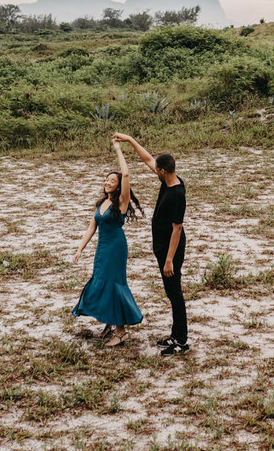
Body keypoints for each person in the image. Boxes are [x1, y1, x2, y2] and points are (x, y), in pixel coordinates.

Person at [113, 132, 189, 355]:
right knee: (171, 292)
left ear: (163, 171)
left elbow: (177, 229)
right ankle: (176, 334)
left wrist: (168, 260)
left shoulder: (176, 193)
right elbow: (148, 160)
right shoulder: (168, 179)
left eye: (157, 168)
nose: (153, 169)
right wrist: (129, 140)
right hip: (162, 247)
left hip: (170, 250)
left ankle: (182, 341)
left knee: (175, 293)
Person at [71, 139, 145, 347]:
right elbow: (91, 228)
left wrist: (118, 149)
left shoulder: (121, 202)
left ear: (119, 185)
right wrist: (79, 249)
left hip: (116, 248)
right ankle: (110, 324)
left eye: (112, 180)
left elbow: (127, 175)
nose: (108, 182)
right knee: (100, 282)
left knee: (113, 285)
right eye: (106, 179)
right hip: (102, 248)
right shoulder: (101, 203)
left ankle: (121, 332)